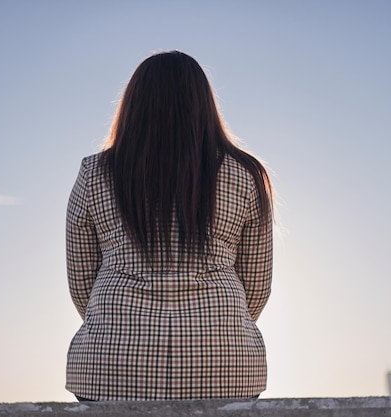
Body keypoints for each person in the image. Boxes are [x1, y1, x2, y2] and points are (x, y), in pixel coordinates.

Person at [65, 51, 273, 401]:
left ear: (133, 104)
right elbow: (256, 286)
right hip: (225, 365)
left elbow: (82, 283)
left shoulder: (94, 174)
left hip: (113, 366)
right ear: (204, 104)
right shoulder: (246, 174)